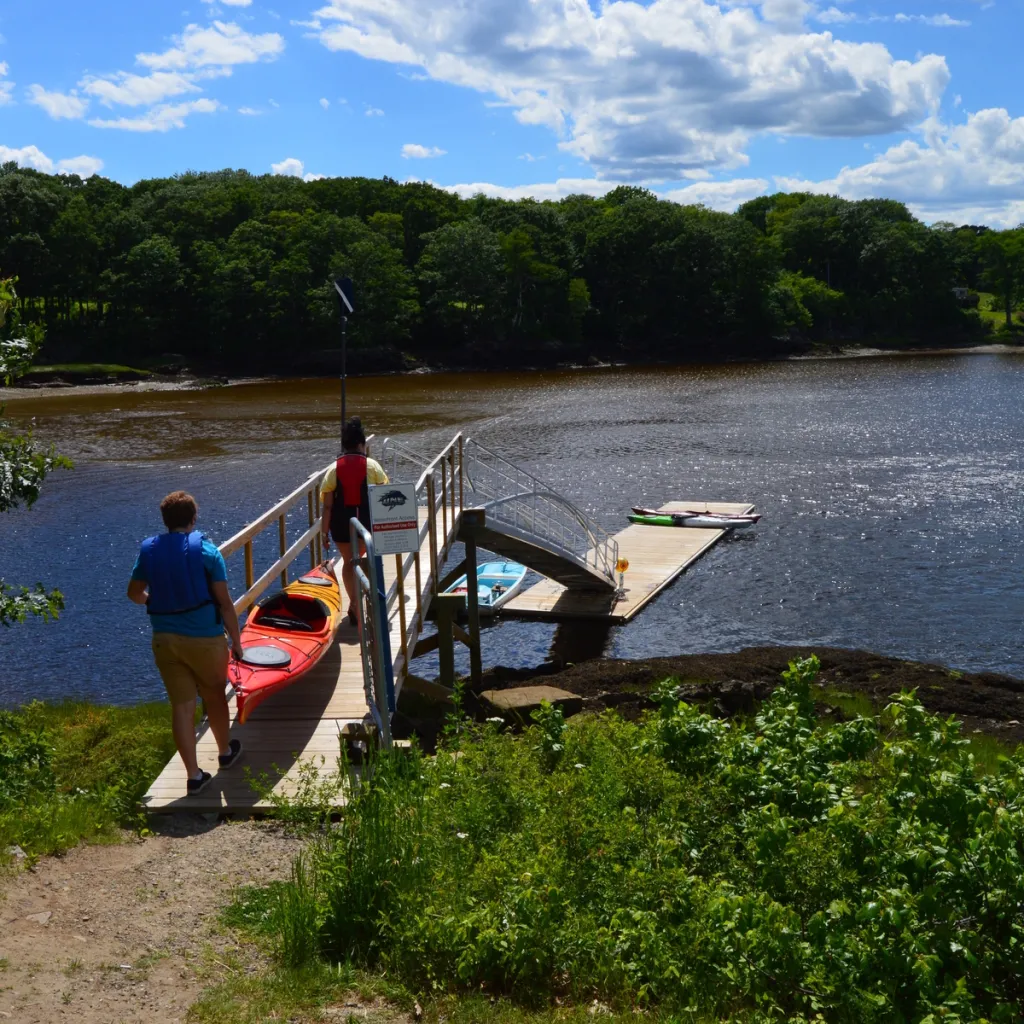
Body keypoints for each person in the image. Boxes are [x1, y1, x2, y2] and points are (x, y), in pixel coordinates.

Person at [127, 491, 244, 796]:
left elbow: (134, 594)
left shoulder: (149, 552)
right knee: (215, 697)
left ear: (165, 521)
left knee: (181, 707)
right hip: (205, 640)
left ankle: (193, 776)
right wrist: (237, 640)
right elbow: (225, 602)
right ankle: (224, 753)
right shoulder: (207, 552)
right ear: (194, 519)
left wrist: (153, 600)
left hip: (165, 641)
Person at [320, 417, 389, 625]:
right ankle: (359, 605)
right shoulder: (373, 466)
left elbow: (327, 505)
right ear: (362, 444)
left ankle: (355, 606)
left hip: (341, 527)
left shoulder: (333, 469)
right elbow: (385, 493)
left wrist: (324, 533)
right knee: (364, 560)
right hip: (366, 525)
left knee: (349, 562)